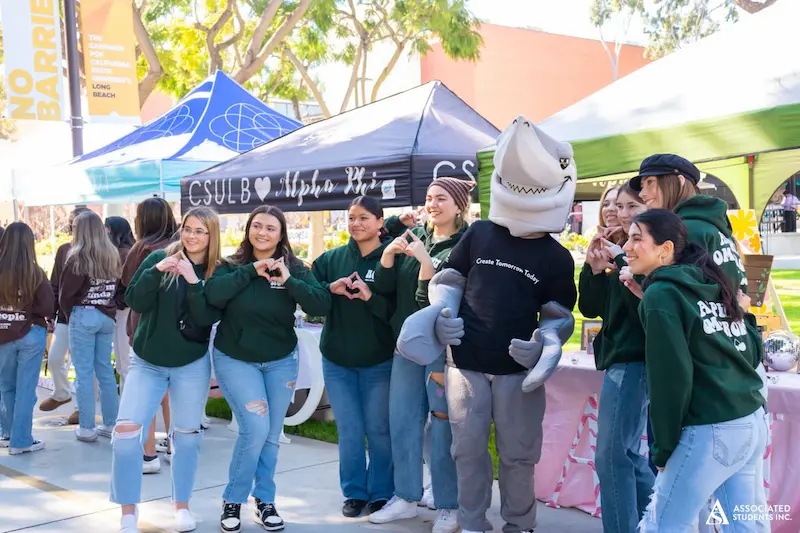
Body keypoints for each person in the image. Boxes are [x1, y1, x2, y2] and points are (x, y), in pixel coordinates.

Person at [623, 209, 767, 532]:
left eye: (636, 238)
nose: (626, 247)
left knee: (661, 526)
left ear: (666, 249)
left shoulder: (662, 295)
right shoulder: (708, 282)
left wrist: (663, 450)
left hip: (712, 430)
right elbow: (751, 348)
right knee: (744, 527)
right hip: (750, 421)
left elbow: (669, 382)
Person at [205, 205, 330, 533]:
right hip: (236, 359)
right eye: (256, 226)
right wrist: (250, 272)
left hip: (280, 361)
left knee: (272, 436)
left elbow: (320, 305)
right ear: (248, 229)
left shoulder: (294, 268)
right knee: (256, 430)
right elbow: (213, 297)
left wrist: (288, 280)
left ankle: (265, 500)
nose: (262, 232)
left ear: (281, 234)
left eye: (270, 228)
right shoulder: (230, 266)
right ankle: (233, 499)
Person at [368, 177, 474, 533]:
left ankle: (448, 504)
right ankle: (406, 496)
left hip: (442, 352)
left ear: (459, 205)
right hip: (407, 347)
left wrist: (427, 267)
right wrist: (387, 256)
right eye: (429, 198)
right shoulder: (419, 238)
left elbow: (431, 304)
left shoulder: (466, 246)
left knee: (443, 427)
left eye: (441, 198)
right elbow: (386, 291)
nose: (433, 204)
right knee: (402, 420)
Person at [111, 207, 222, 533]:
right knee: (126, 437)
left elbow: (207, 317)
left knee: (187, 439)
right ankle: (128, 514)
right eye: (188, 228)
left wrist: (193, 282)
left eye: (200, 231)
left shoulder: (218, 270)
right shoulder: (159, 257)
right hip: (147, 362)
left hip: (190, 365)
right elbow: (136, 301)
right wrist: (156, 271)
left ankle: (182, 506)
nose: (192, 236)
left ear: (211, 236)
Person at [311, 196, 395, 518]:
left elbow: (395, 312)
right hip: (337, 362)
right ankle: (355, 493)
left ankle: (382, 492)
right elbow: (310, 293)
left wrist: (370, 296)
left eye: (363, 218)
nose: (356, 224)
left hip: (378, 362)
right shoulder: (331, 259)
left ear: (379, 222)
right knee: (348, 430)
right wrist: (328, 289)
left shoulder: (390, 261)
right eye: (351, 218)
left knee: (378, 429)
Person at [578, 184, 653, 532]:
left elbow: (644, 311)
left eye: (628, 205)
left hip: (636, 360)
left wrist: (623, 263)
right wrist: (593, 269)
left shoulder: (643, 253)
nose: (617, 212)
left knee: (612, 456)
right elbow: (591, 309)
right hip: (620, 359)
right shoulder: (612, 250)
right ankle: (661, 520)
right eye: (611, 204)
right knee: (627, 456)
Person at [629, 154, 746, 292]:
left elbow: (676, 289)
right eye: (642, 186)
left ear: (680, 181)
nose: (642, 193)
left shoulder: (686, 229)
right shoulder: (709, 222)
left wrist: (631, 272)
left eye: (650, 183)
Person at [121, 198, 179, 474]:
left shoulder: (142, 249)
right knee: (172, 391)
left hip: (145, 324)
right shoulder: (182, 246)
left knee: (147, 390)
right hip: (177, 325)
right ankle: (174, 445)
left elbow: (127, 285)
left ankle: (148, 454)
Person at [59, 211, 121, 442]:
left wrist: (71, 314)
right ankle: (110, 423)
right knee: (105, 371)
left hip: (84, 315)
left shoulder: (77, 257)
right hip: (106, 316)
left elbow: (66, 295)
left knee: (84, 373)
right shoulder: (112, 254)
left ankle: (86, 427)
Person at [0, 222, 53, 454]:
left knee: (7, 387)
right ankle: (21, 441)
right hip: (31, 333)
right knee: (25, 389)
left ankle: (10, 433)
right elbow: (47, 307)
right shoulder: (35, 272)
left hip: (3, 335)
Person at [39, 207, 91, 421]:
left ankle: (82, 407)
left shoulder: (97, 250)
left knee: (83, 364)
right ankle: (61, 392)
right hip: (63, 314)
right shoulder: (63, 250)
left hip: (87, 315)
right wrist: (51, 313)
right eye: (73, 221)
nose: (73, 225)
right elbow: (54, 282)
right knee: (55, 358)